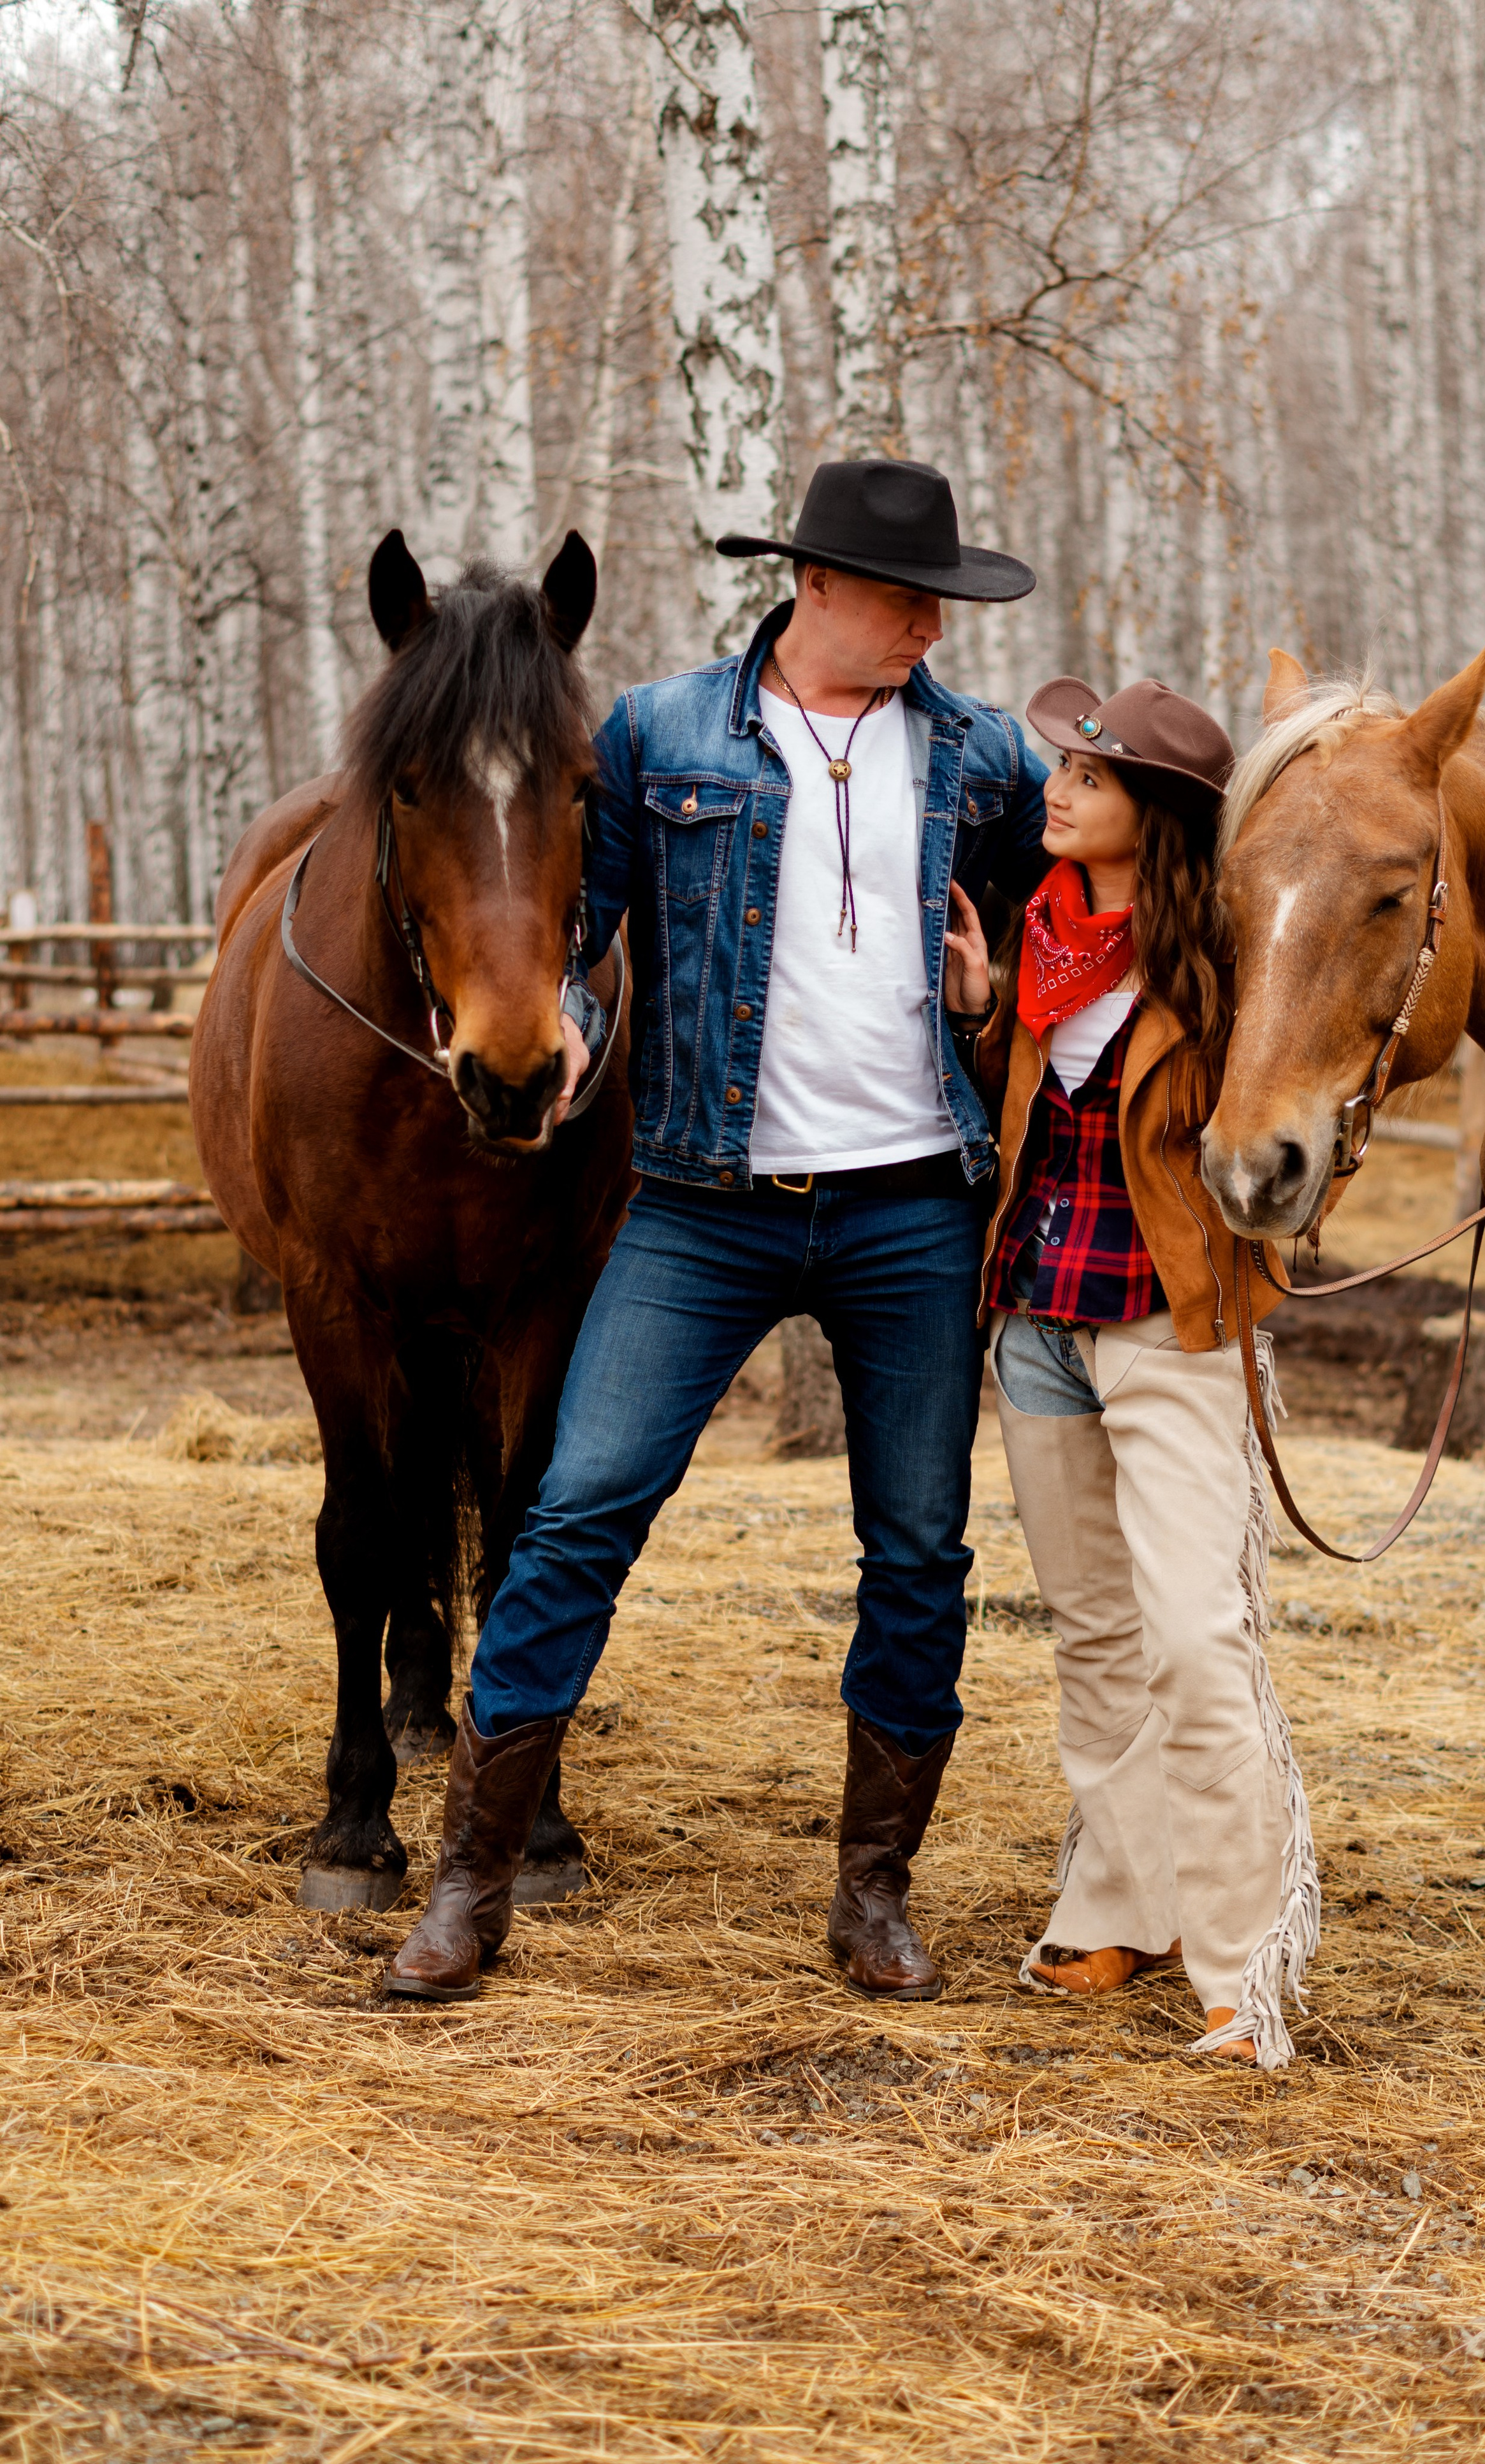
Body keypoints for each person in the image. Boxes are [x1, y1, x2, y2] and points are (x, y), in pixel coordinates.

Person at [386, 459, 1049, 2009]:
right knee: (573, 1517)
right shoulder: (658, 734)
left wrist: (997, 988)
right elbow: (574, 916)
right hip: (701, 1204)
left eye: (938, 606)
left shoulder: (984, 757)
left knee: (918, 1552)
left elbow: (1088, 901)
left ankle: (871, 1893)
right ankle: (470, 1886)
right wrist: (544, 1032)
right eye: (901, 602)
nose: (924, 631)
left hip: (911, 1209)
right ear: (812, 587)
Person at [963, 676, 1319, 2069]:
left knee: (1194, 1634)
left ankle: (1242, 1960)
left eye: (1089, 777)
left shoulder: (1226, 969)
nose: (1055, 786)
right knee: (1094, 1636)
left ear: (1152, 821)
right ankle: (1122, 1902)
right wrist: (980, 1008)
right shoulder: (1030, 938)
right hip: (1036, 1317)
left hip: (1170, 1319)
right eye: (1062, 765)